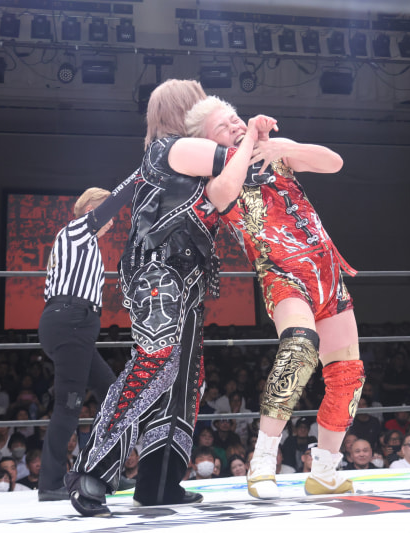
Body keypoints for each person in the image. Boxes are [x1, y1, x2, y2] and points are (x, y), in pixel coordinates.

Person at [66, 79, 277, 517]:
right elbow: (241, 163)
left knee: (185, 382)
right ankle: (91, 472)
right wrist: (249, 136)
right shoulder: (170, 149)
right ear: (185, 109)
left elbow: (240, 181)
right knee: (156, 363)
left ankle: (158, 484)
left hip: (189, 280)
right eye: (200, 105)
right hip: (158, 274)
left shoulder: (188, 157)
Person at [185, 95, 364, 499]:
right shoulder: (216, 176)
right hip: (282, 274)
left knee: (348, 375)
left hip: (326, 272)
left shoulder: (274, 154)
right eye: (223, 126)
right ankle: (263, 459)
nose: (235, 125)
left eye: (235, 118)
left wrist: (282, 146)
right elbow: (223, 194)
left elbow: (334, 162)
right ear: (207, 142)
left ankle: (325, 471)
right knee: (299, 347)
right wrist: (249, 139)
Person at [37, 174, 139, 503]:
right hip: (70, 322)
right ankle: (50, 483)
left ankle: (102, 471)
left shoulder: (85, 243)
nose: (112, 221)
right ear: (91, 209)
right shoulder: (78, 230)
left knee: (112, 394)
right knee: (69, 405)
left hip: (75, 326)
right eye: (106, 212)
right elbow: (112, 204)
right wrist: (141, 175)